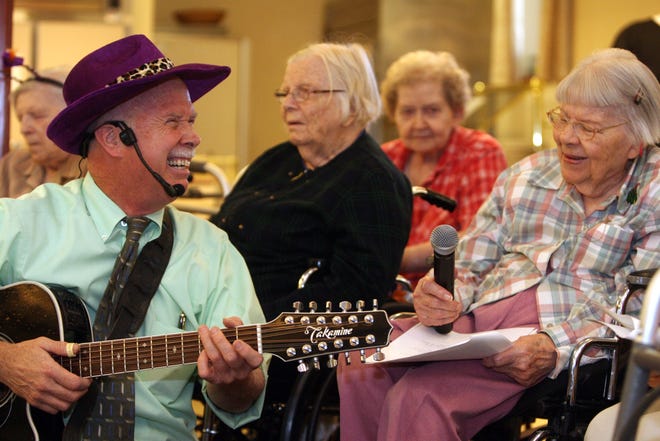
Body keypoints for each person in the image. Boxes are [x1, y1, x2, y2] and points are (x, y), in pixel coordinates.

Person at [338, 47, 660, 441]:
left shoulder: (653, 190)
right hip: (480, 319)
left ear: (635, 141)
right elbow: (471, 260)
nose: (566, 138)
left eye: (589, 128)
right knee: (359, 360)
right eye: (563, 118)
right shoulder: (526, 176)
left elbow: (640, 309)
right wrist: (443, 293)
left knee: (419, 398)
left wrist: (552, 346)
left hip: (559, 334)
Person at [0, 34, 268, 440]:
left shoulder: (212, 251)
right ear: (113, 138)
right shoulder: (21, 222)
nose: (193, 137)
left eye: (191, 121)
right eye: (173, 122)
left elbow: (240, 403)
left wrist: (234, 379)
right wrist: (5, 360)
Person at [208, 42, 412, 435]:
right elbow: (219, 232)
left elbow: (359, 293)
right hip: (218, 314)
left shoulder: (374, 182)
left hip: (288, 337)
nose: (288, 104)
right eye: (285, 92)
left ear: (352, 101)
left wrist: (251, 318)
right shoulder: (276, 159)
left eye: (306, 92)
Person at [380, 50, 507, 288]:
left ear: (457, 112)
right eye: (407, 112)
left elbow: (479, 238)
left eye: (432, 110)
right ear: (393, 114)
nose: (418, 123)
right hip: (386, 293)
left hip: (449, 294)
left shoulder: (479, 152)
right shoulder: (386, 158)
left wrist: (395, 261)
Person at [0, 66, 86, 197]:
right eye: (20, 118)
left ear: (73, 116)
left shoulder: (95, 169)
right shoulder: (12, 164)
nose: (24, 129)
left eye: (37, 115)